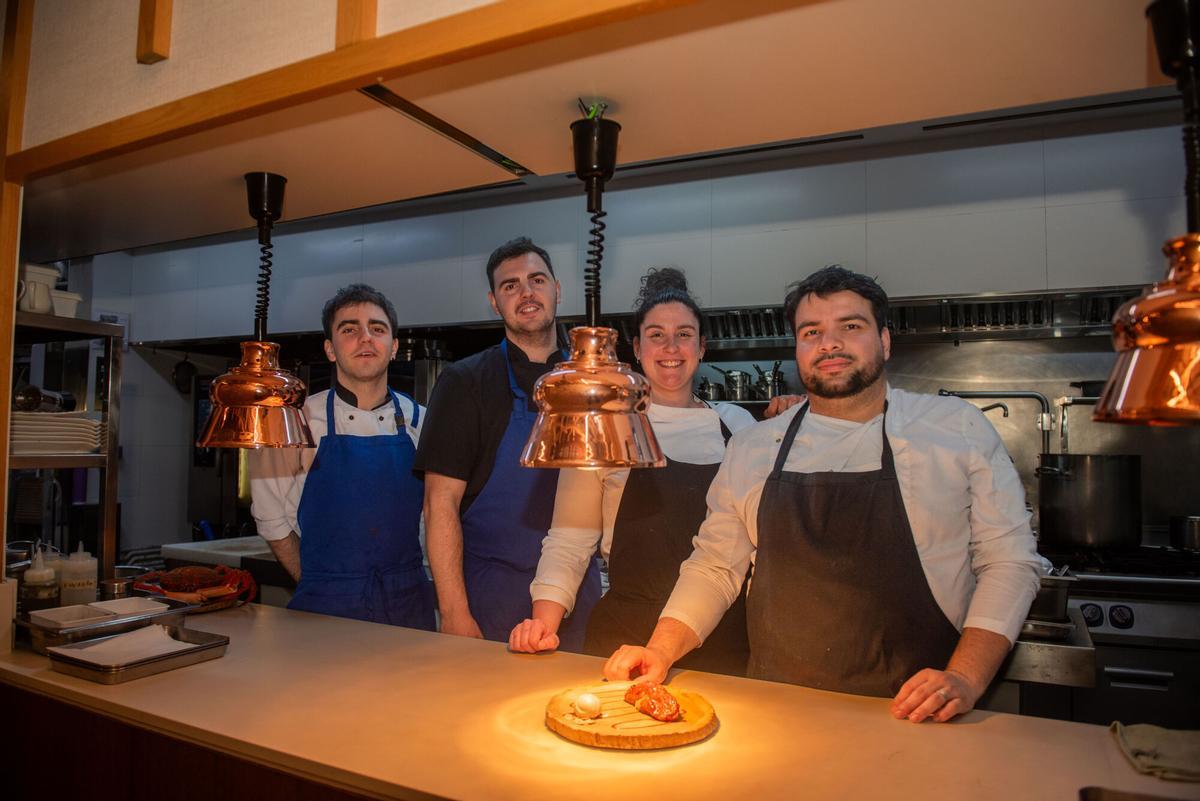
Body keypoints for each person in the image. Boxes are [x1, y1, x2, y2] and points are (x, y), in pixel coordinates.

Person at [604, 265, 1042, 723]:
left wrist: (965, 676)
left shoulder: (955, 429)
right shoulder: (754, 447)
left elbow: (1009, 561)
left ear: (885, 340)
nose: (829, 344)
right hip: (777, 709)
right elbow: (715, 565)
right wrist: (661, 650)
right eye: (811, 332)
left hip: (919, 713)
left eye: (850, 327)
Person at [510, 268, 800, 675]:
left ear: (701, 347)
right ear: (637, 347)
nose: (671, 347)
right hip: (623, 634)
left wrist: (795, 419)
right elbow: (569, 540)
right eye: (656, 334)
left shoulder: (737, 426)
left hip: (721, 634)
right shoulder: (606, 425)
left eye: (684, 334)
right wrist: (543, 624)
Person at [416, 237, 603, 648]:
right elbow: (439, 503)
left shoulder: (591, 381)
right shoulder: (464, 382)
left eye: (537, 280)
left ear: (557, 289)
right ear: (494, 302)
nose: (526, 293)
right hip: (490, 597)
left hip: (578, 594)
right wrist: (454, 612)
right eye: (510, 285)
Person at [249, 284, 434, 629]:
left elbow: (435, 518)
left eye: (377, 329)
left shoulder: (422, 422)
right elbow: (271, 519)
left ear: (394, 347)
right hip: (325, 607)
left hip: (409, 604)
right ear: (330, 349)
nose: (365, 338)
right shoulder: (295, 421)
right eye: (349, 330)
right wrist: (321, 582)